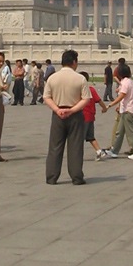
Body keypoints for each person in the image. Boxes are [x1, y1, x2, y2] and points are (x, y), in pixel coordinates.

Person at [43, 49, 90, 185]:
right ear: (74, 62)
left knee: (55, 146)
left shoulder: (52, 78)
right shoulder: (80, 78)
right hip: (75, 115)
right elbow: (86, 99)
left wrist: (57, 109)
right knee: (75, 147)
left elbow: (46, 97)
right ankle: (76, 177)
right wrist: (72, 110)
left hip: (58, 115)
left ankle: (51, 177)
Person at [103, 62, 133, 159]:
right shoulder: (129, 81)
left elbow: (122, 96)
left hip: (128, 110)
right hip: (126, 109)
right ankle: (114, 151)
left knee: (130, 132)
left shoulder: (125, 83)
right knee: (119, 131)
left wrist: (110, 105)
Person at [80, 71, 107, 160]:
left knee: (79, 138)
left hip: (83, 117)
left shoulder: (80, 90)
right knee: (90, 137)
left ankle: (76, 155)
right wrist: (104, 108)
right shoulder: (91, 89)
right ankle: (99, 151)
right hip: (91, 117)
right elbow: (99, 100)